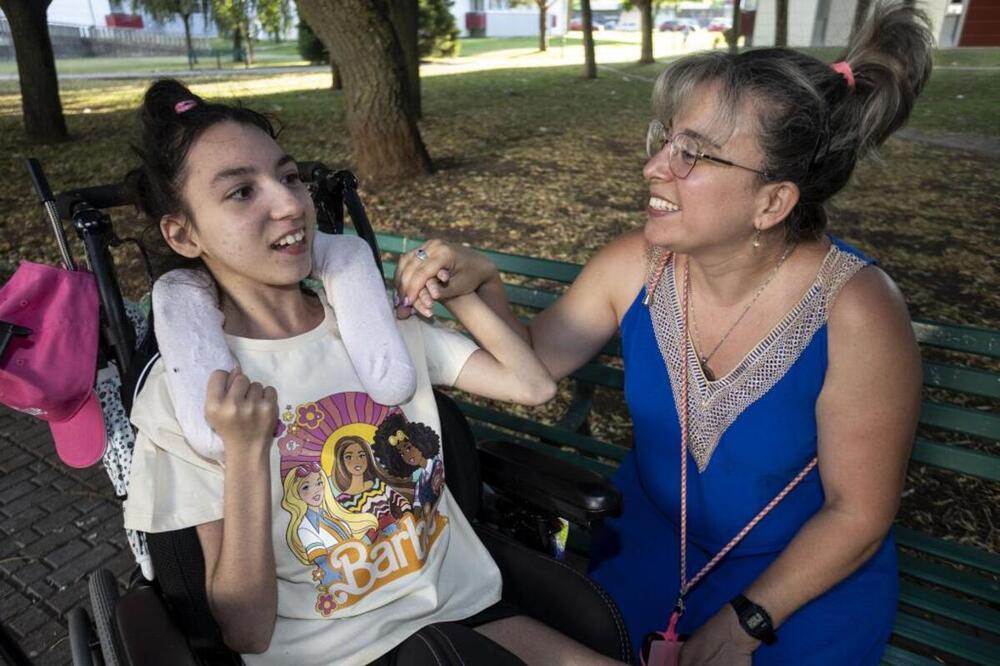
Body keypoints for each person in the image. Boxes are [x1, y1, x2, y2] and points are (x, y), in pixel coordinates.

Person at [394, 2, 931, 663]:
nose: (655, 168)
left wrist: (743, 625)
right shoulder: (635, 264)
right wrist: (478, 286)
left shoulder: (857, 309)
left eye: (695, 155)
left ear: (773, 203)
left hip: (801, 581)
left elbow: (858, 513)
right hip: (651, 548)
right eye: (666, 141)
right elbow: (532, 363)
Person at [121, 79, 623, 666]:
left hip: (463, 608)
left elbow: (532, 385)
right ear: (184, 234)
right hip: (335, 653)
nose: (288, 205)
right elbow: (247, 631)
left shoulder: (377, 335)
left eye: (288, 177)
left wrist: (462, 289)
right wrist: (244, 453)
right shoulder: (191, 401)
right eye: (240, 192)